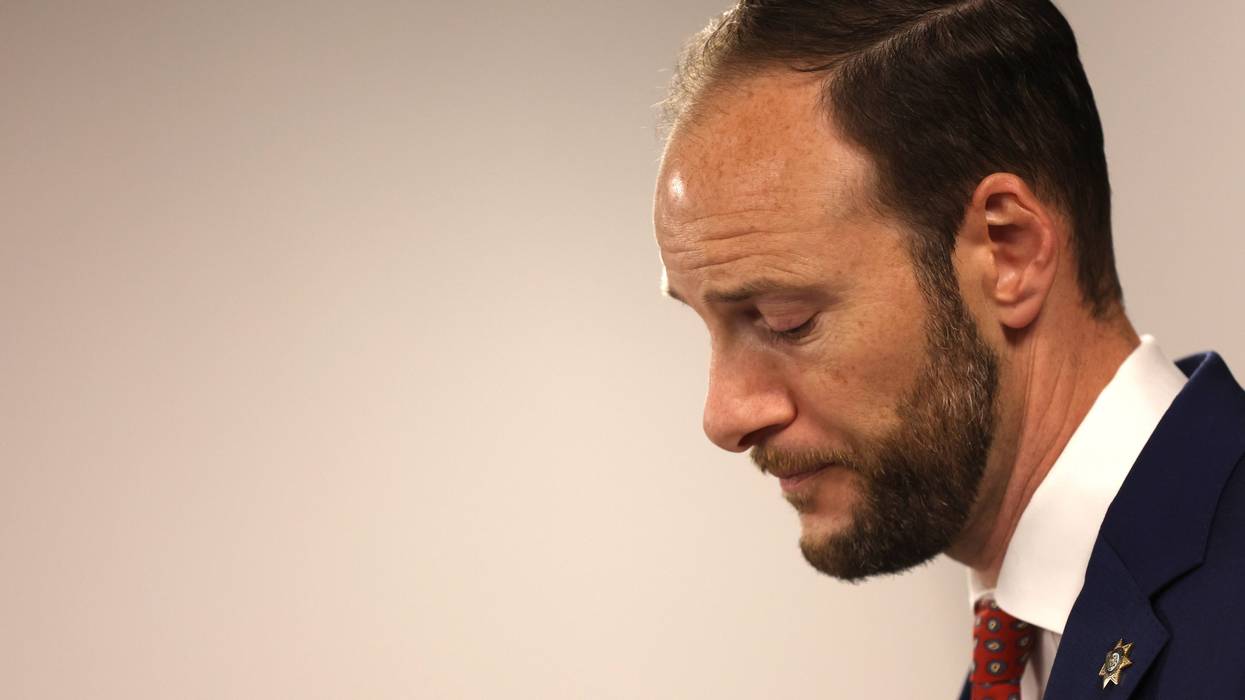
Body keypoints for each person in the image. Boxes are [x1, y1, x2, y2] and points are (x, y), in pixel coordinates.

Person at [650, 1, 1245, 698]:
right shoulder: (1025, 649)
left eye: (784, 320)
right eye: (704, 324)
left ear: (1007, 253)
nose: (723, 415)